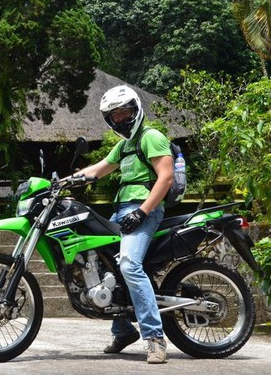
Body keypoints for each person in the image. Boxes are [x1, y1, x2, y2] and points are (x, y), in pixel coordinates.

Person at [76, 85, 173, 364]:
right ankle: (122, 330)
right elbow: (97, 170)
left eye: (125, 112)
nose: (121, 118)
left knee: (129, 264)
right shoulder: (123, 146)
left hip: (145, 210)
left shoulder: (150, 137)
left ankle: (155, 338)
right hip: (122, 211)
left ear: (136, 109)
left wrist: (142, 212)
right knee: (103, 261)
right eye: (115, 115)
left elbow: (165, 178)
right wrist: (62, 182)